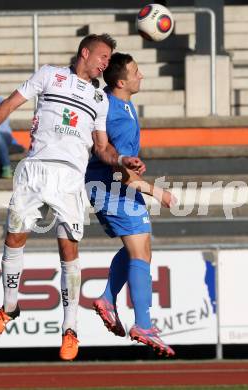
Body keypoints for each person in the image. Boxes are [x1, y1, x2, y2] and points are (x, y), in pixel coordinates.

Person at [0, 34, 145, 361]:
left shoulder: (100, 99)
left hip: (70, 178)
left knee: (68, 247)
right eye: (103, 56)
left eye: (109, 60)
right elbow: (10, 102)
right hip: (35, 168)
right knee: (14, 238)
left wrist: (122, 160)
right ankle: (9, 307)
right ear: (85, 52)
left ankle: (70, 329)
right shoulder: (50, 74)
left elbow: (103, 147)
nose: (105, 63)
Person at [85, 53, 176, 356]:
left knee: (138, 248)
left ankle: (108, 299)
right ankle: (143, 324)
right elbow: (120, 172)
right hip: (113, 188)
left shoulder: (119, 104)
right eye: (137, 72)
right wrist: (157, 193)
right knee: (141, 252)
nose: (142, 76)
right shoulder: (119, 114)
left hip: (112, 185)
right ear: (121, 81)